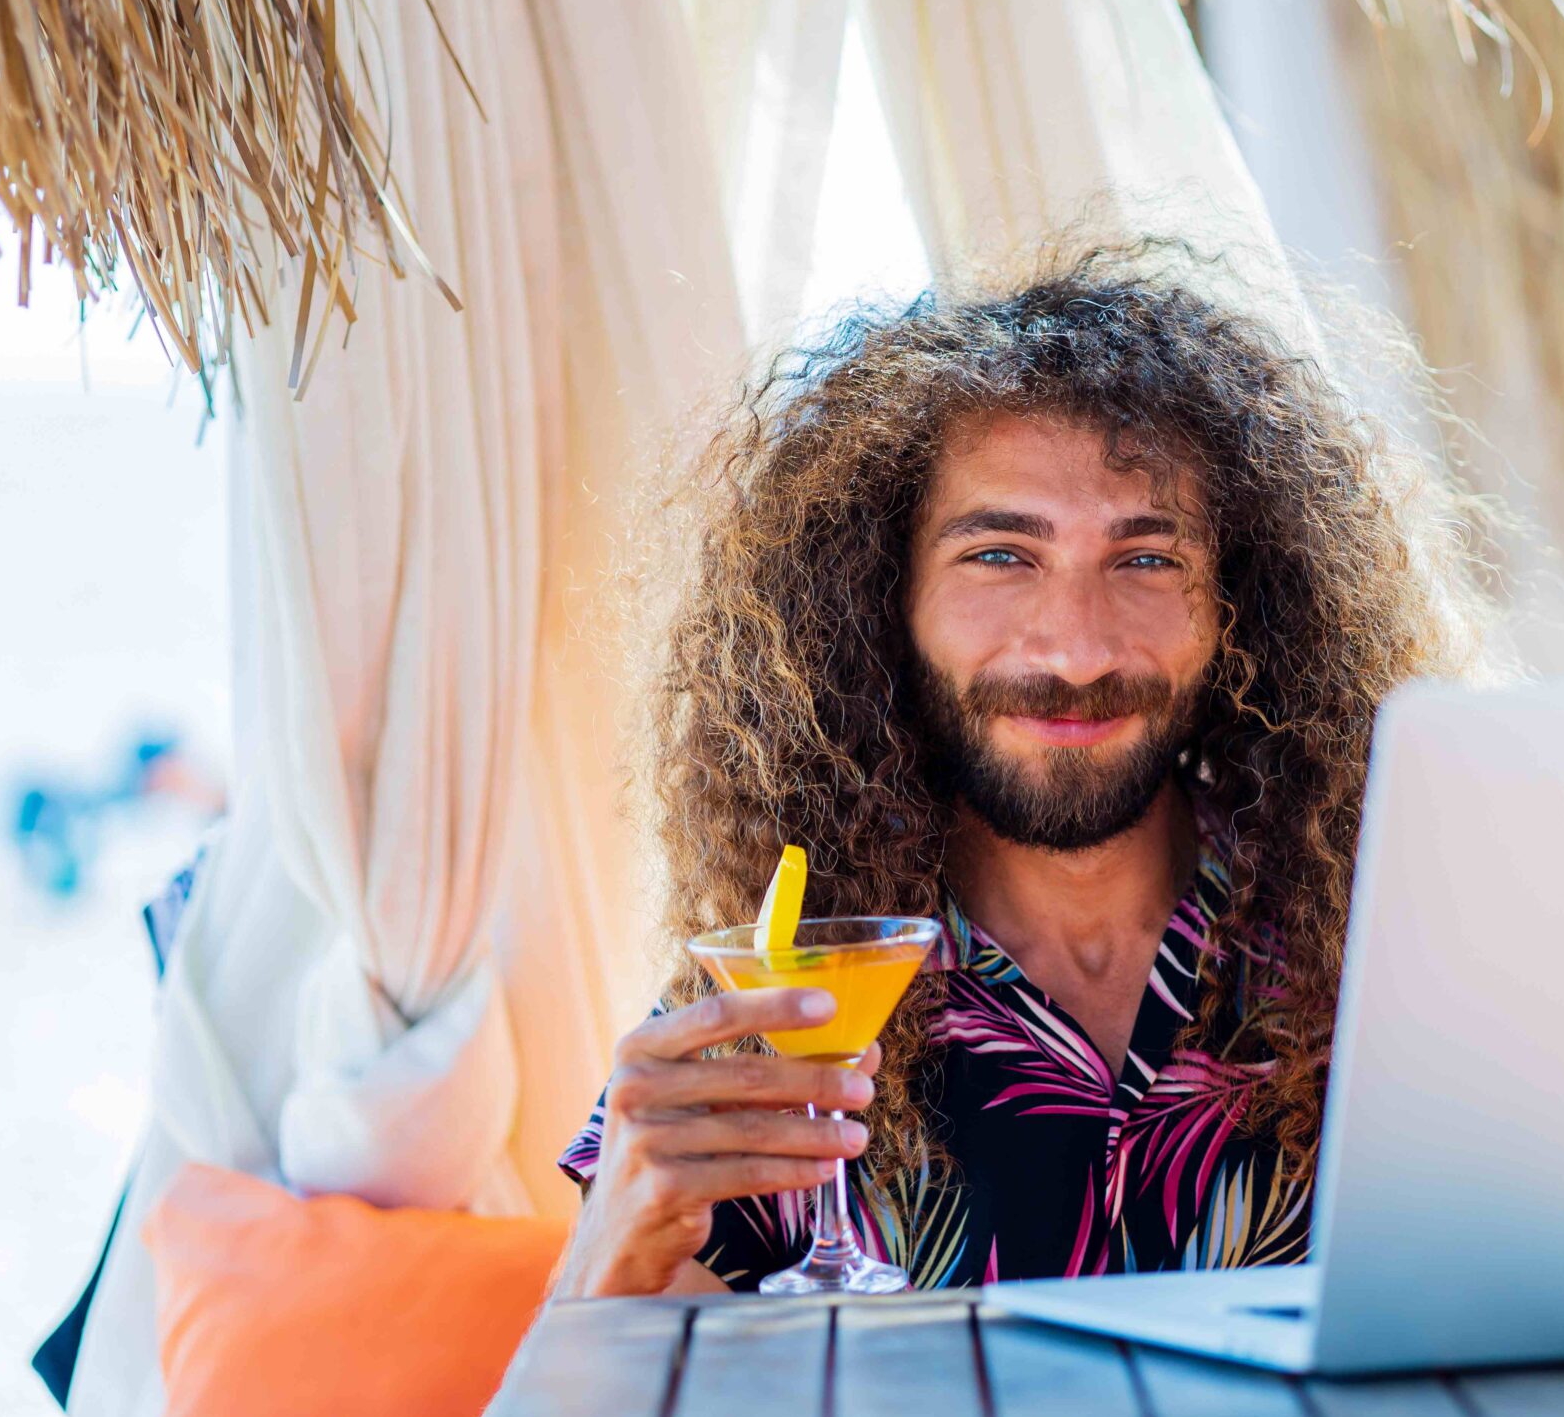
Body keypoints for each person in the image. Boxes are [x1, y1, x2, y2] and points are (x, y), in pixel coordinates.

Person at [555, 241, 1489, 1297]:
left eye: (1146, 559)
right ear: (878, 599)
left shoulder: (1389, 947)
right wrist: (612, 1255)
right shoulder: (781, 1006)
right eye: (999, 556)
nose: (1075, 649)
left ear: (1242, 606)